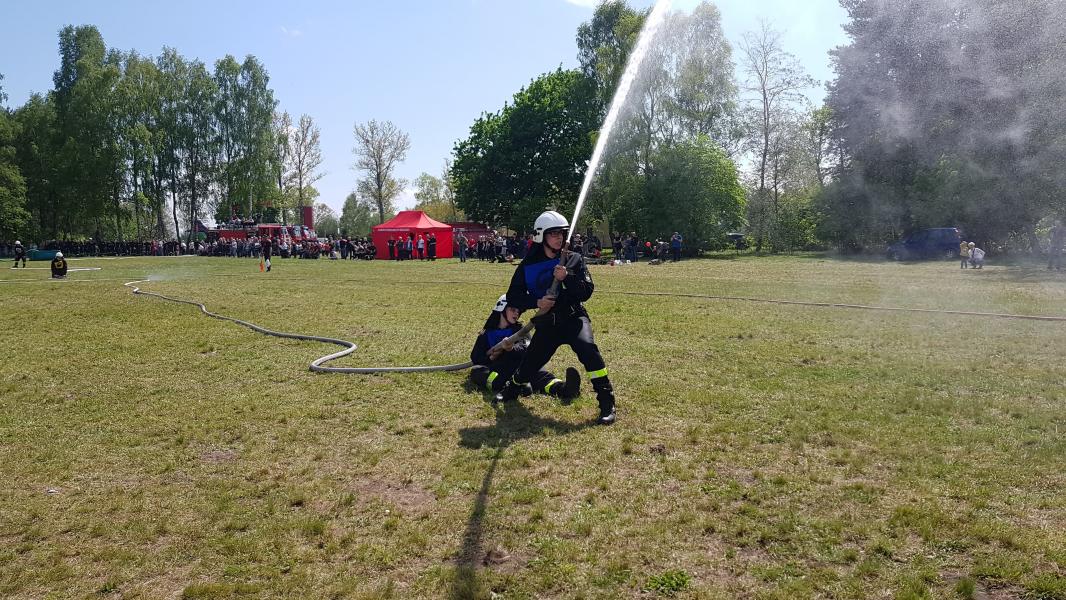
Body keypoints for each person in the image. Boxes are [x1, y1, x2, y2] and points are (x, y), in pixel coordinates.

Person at [495, 210, 617, 425]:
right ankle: (512, 389)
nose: (559, 237)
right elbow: (513, 296)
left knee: (588, 350)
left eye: (561, 233)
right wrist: (537, 302)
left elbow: (586, 292)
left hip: (573, 318)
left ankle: (607, 402)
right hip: (547, 324)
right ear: (541, 236)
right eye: (553, 233)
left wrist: (567, 277)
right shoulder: (528, 266)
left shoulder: (573, 259)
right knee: (531, 363)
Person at [469, 294, 580, 400]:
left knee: (540, 375)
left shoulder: (520, 330)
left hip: (520, 366)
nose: (516, 313)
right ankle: (515, 386)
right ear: (501, 309)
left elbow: (528, 348)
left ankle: (565, 389)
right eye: (513, 309)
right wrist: (491, 358)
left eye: (518, 311)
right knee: (476, 372)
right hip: (500, 369)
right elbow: (476, 358)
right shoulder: (486, 334)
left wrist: (511, 349)